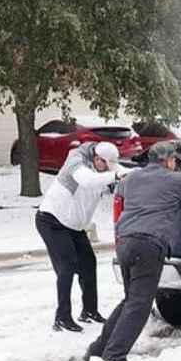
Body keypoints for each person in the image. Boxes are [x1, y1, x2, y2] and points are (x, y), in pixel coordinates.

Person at [84, 142, 181, 361]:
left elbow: (144, 190)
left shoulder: (132, 179)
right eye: (174, 161)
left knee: (130, 300)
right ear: (167, 161)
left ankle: (98, 349)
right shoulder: (174, 180)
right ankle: (115, 358)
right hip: (149, 244)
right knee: (139, 305)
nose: (176, 164)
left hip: (125, 242)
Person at [36, 141, 128, 333]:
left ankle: (89, 311)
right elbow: (87, 180)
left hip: (75, 226)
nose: (107, 169)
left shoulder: (103, 167)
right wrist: (115, 175)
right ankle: (62, 317)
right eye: (105, 164)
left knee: (88, 264)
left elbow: (119, 172)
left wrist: (131, 175)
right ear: (96, 158)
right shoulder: (76, 161)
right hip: (52, 221)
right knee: (66, 267)